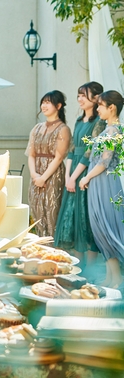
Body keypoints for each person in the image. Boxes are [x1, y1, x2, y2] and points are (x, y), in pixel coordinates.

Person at [54, 82, 105, 267]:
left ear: (96, 98)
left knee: (86, 218)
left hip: (86, 172)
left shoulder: (99, 122)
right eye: (79, 95)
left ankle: (90, 269)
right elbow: (72, 149)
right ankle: (77, 266)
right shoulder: (78, 120)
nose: (80, 99)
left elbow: (89, 153)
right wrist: (68, 176)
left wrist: (74, 177)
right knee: (73, 216)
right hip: (73, 172)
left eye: (84, 95)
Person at [79, 90, 124, 288]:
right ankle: (111, 277)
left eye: (100, 105)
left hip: (105, 183)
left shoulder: (113, 131)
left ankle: (117, 278)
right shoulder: (110, 129)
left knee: (107, 228)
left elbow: (105, 161)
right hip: (100, 183)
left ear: (111, 107)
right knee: (101, 229)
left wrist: (86, 177)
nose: (97, 109)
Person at [26, 90, 71, 238]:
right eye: (43, 102)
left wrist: (43, 178)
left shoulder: (63, 129)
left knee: (52, 210)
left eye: (48, 102)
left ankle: (54, 246)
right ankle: (40, 245)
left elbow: (59, 158)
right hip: (36, 174)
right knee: (36, 210)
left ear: (58, 106)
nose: (44, 106)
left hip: (53, 175)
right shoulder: (37, 128)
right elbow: (31, 154)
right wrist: (34, 175)